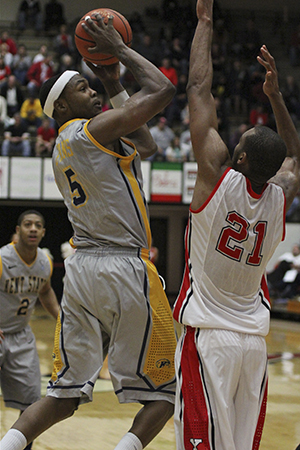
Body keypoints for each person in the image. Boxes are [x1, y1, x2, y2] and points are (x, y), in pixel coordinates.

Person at [0, 14, 177, 450]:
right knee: (164, 396)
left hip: (82, 270)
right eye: (83, 88)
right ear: (61, 107)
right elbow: (163, 90)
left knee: (63, 394)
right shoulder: (91, 131)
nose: (93, 90)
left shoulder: (71, 139)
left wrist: (113, 81)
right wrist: (118, 48)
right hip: (123, 268)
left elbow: (147, 145)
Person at [172, 1, 300, 449]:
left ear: (240, 158)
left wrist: (204, 21)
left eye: (239, 140)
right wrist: (276, 97)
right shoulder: (281, 194)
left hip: (209, 338)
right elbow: (295, 156)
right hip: (253, 347)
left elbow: (197, 88)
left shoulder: (214, 178)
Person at [0, 210, 59, 450]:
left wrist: (64, 321)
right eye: (27, 224)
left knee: (33, 404)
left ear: (43, 232)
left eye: (37, 225)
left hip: (22, 336)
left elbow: (45, 292)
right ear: (18, 230)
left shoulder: (45, 261)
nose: (33, 228)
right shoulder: (3, 258)